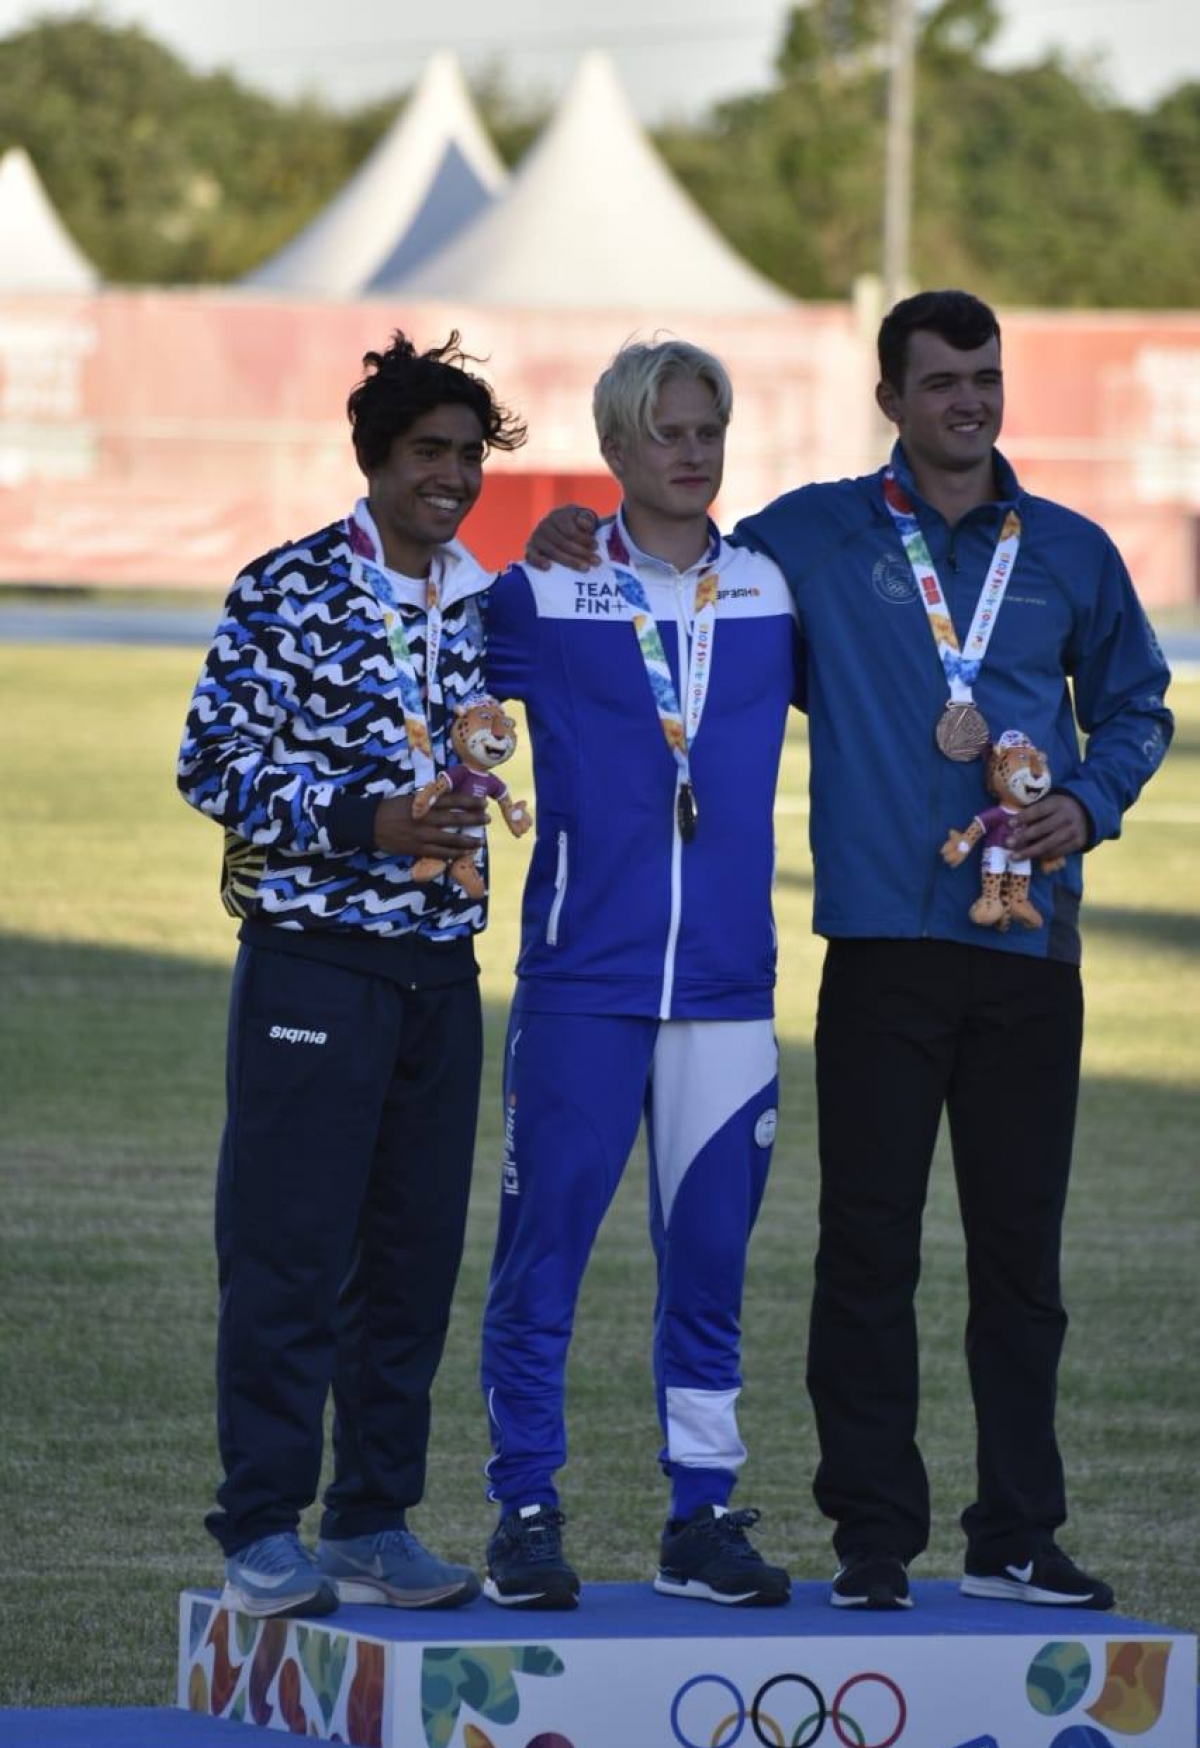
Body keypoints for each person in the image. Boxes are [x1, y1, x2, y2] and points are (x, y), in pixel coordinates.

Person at [532, 291, 1173, 1613]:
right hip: (879, 948)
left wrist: (1089, 802)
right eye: (940, 382)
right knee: (867, 1251)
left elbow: (1138, 706)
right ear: (890, 399)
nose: (969, 403)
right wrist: (575, 542)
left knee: (1020, 1260)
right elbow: (676, 560)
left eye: (985, 378)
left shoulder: (1068, 551)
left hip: (1029, 946)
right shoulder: (814, 538)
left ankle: (1014, 1533)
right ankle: (871, 1535)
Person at [177, 330, 524, 1618]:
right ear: (372, 456)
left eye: (467, 456)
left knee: (413, 1254)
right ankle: (261, 1525)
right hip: (313, 964)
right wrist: (364, 818)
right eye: (427, 453)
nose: (450, 477)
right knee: (287, 1252)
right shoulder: (289, 587)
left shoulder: (487, 599)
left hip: (441, 968)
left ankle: (372, 1518)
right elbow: (211, 764)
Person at [478, 339, 801, 1610]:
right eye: (665, 432)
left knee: (710, 1264)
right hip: (583, 982)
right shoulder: (543, 592)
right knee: (541, 1258)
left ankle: (702, 1514)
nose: (691, 451)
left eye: (707, 429)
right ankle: (525, 1510)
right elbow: (444, 695)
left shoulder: (776, 589)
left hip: (727, 986)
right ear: (614, 449)